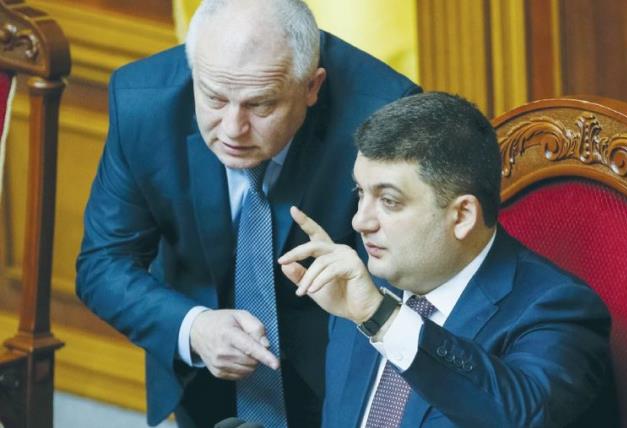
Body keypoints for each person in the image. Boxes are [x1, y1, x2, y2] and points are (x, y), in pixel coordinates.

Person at [75, 0, 419, 426]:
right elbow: (102, 264)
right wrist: (193, 328)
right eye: (215, 99)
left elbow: (403, 289)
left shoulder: (384, 116)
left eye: (260, 106)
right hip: (204, 367)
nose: (233, 130)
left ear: (312, 87)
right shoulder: (142, 103)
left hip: (339, 372)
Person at [279, 92, 617, 427]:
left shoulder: (558, 308)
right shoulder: (365, 289)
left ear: (462, 216)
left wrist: (381, 317)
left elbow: (522, 418)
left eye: (390, 201)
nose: (359, 221)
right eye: (360, 193)